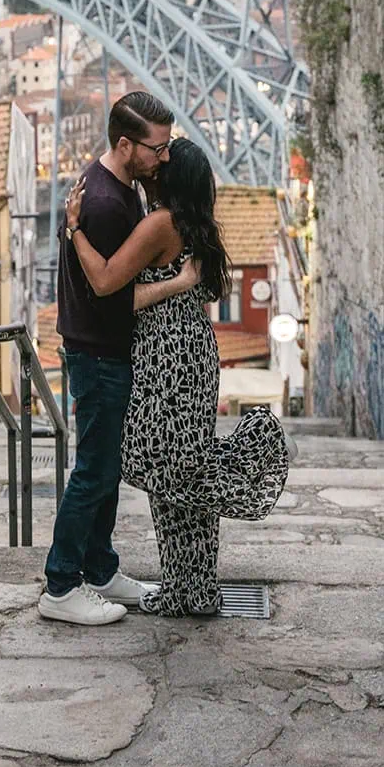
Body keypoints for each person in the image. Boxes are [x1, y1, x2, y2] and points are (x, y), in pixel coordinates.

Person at [65, 138, 294, 616]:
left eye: (163, 162)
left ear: (171, 179)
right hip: (193, 351)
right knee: (183, 465)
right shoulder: (195, 223)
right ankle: (196, 589)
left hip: (165, 355)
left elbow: (113, 293)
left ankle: (253, 460)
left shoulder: (159, 224)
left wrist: (75, 232)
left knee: (162, 468)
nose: (155, 164)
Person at [38, 91, 200, 626]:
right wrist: (179, 283)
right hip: (98, 354)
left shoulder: (119, 184)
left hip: (105, 350)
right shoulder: (106, 204)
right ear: (126, 145)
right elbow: (111, 291)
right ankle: (62, 585)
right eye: (158, 148)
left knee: (105, 471)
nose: (165, 157)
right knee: (93, 472)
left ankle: (100, 569)